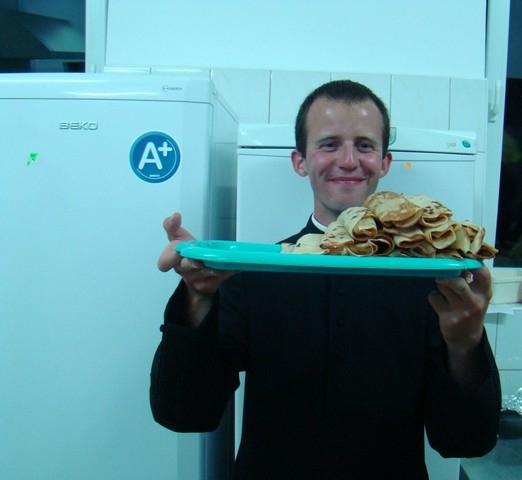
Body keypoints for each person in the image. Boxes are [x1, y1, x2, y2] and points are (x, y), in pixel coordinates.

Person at [151, 80, 501, 479]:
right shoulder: (256, 271)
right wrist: (197, 297)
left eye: (364, 145)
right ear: (300, 161)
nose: (349, 160)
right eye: (329, 144)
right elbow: (184, 412)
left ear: (384, 162)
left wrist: (465, 344)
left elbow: (466, 441)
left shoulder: (432, 280)